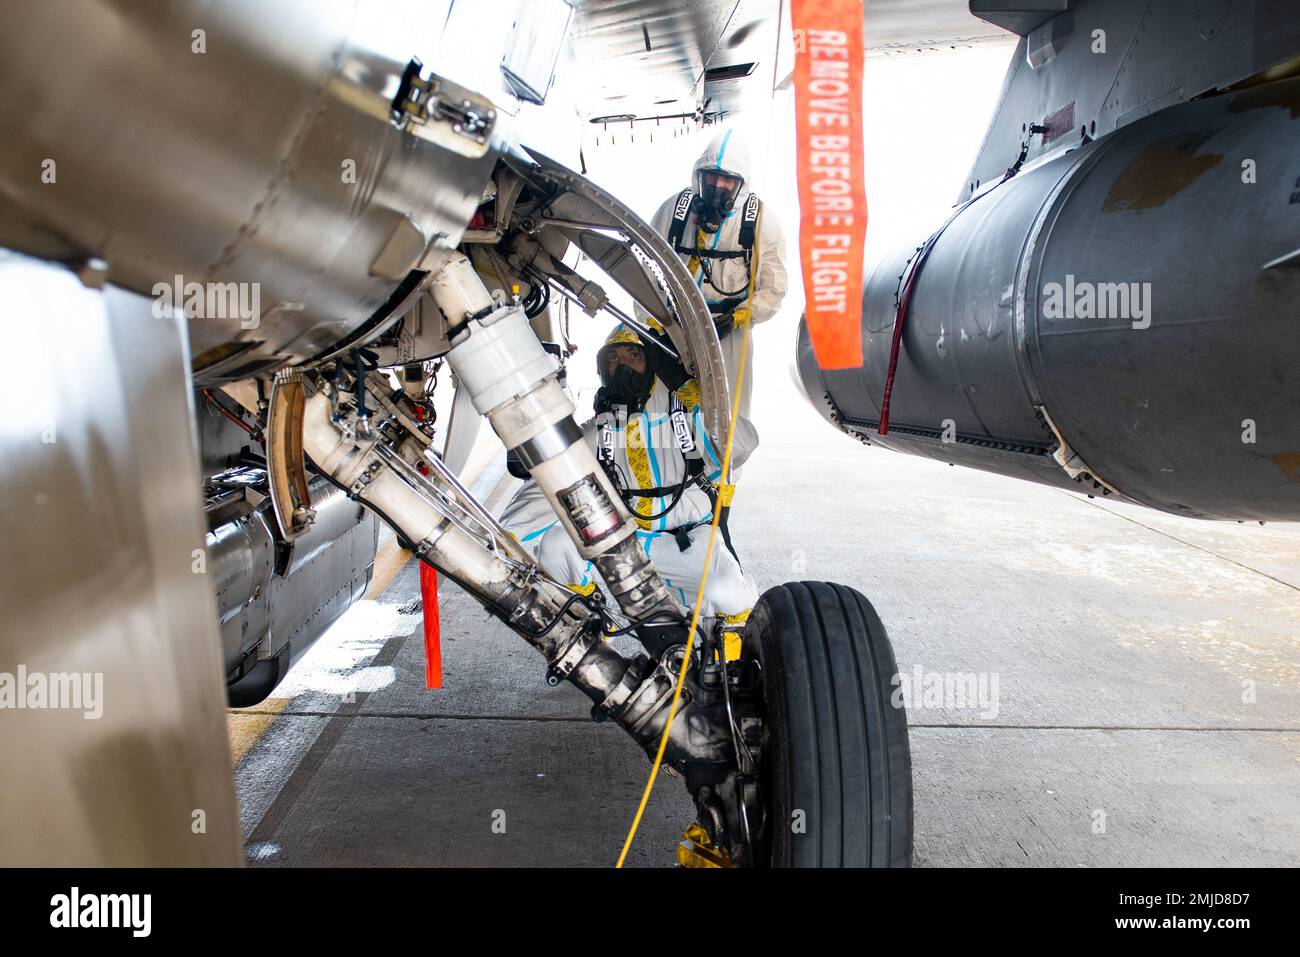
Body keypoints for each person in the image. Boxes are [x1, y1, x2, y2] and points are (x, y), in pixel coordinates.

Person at [499, 326, 758, 654]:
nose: (622, 365)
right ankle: (585, 621)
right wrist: (508, 535)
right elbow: (550, 482)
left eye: (633, 356)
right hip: (623, 543)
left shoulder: (685, 418)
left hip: (685, 541)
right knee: (556, 545)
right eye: (613, 359)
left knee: (728, 592)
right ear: (603, 370)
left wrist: (696, 395)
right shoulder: (600, 430)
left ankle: (732, 650)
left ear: (651, 365)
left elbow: (745, 443)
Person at [641, 129, 789, 422]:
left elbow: (774, 289)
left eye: (728, 181)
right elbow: (644, 267)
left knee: (728, 418)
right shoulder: (674, 211)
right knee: (661, 411)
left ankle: (723, 468)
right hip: (673, 329)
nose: (718, 186)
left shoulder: (760, 221)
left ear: (740, 184)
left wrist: (738, 318)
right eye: (712, 178)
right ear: (699, 175)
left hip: (729, 336)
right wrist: (657, 325)